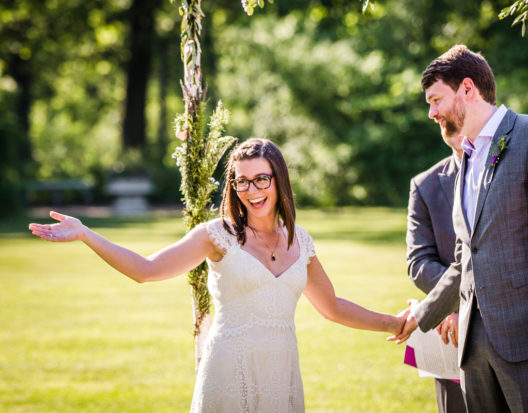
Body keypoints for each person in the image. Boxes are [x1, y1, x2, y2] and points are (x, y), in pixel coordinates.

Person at [29, 138, 408, 413]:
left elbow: (333, 307)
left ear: (279, 180)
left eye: (261, 179)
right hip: (229, 371)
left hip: (281, 373)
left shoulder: (300, 240)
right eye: (241, 181)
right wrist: (86, 234)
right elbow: (146, 271)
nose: (251, 190)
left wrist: (393, 323)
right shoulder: (216, 235)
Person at [390, 45, 528, 412]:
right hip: (474, 348)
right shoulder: (467, 157)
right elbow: (466, 256)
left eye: (436, 100)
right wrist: (423, 315)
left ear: (468, 88)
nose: (431, 113)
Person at [406, 130, 466, 413]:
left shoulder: (510, 167)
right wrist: (450, 304)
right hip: (449, 333)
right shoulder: (424, 185)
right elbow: (419, 262)